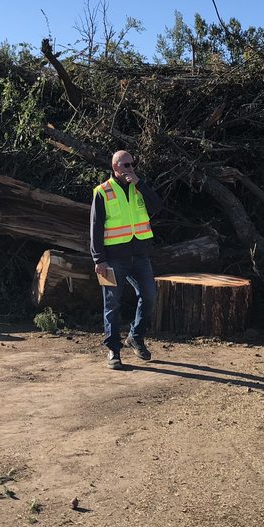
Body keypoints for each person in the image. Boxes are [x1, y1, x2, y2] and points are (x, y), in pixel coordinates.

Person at [90, 150, 163, 369]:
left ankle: (136, 336)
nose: (130, 168)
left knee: (149, 296)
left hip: (140, 255)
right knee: (112, 304)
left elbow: (157, 207)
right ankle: (113, 350)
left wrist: (140, 184)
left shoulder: (138, 187)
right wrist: (98, 259)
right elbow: (95, 227)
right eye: (125, 165)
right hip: (113, 258)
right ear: (115, 168)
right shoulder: (102, 191)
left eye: (132, 164)